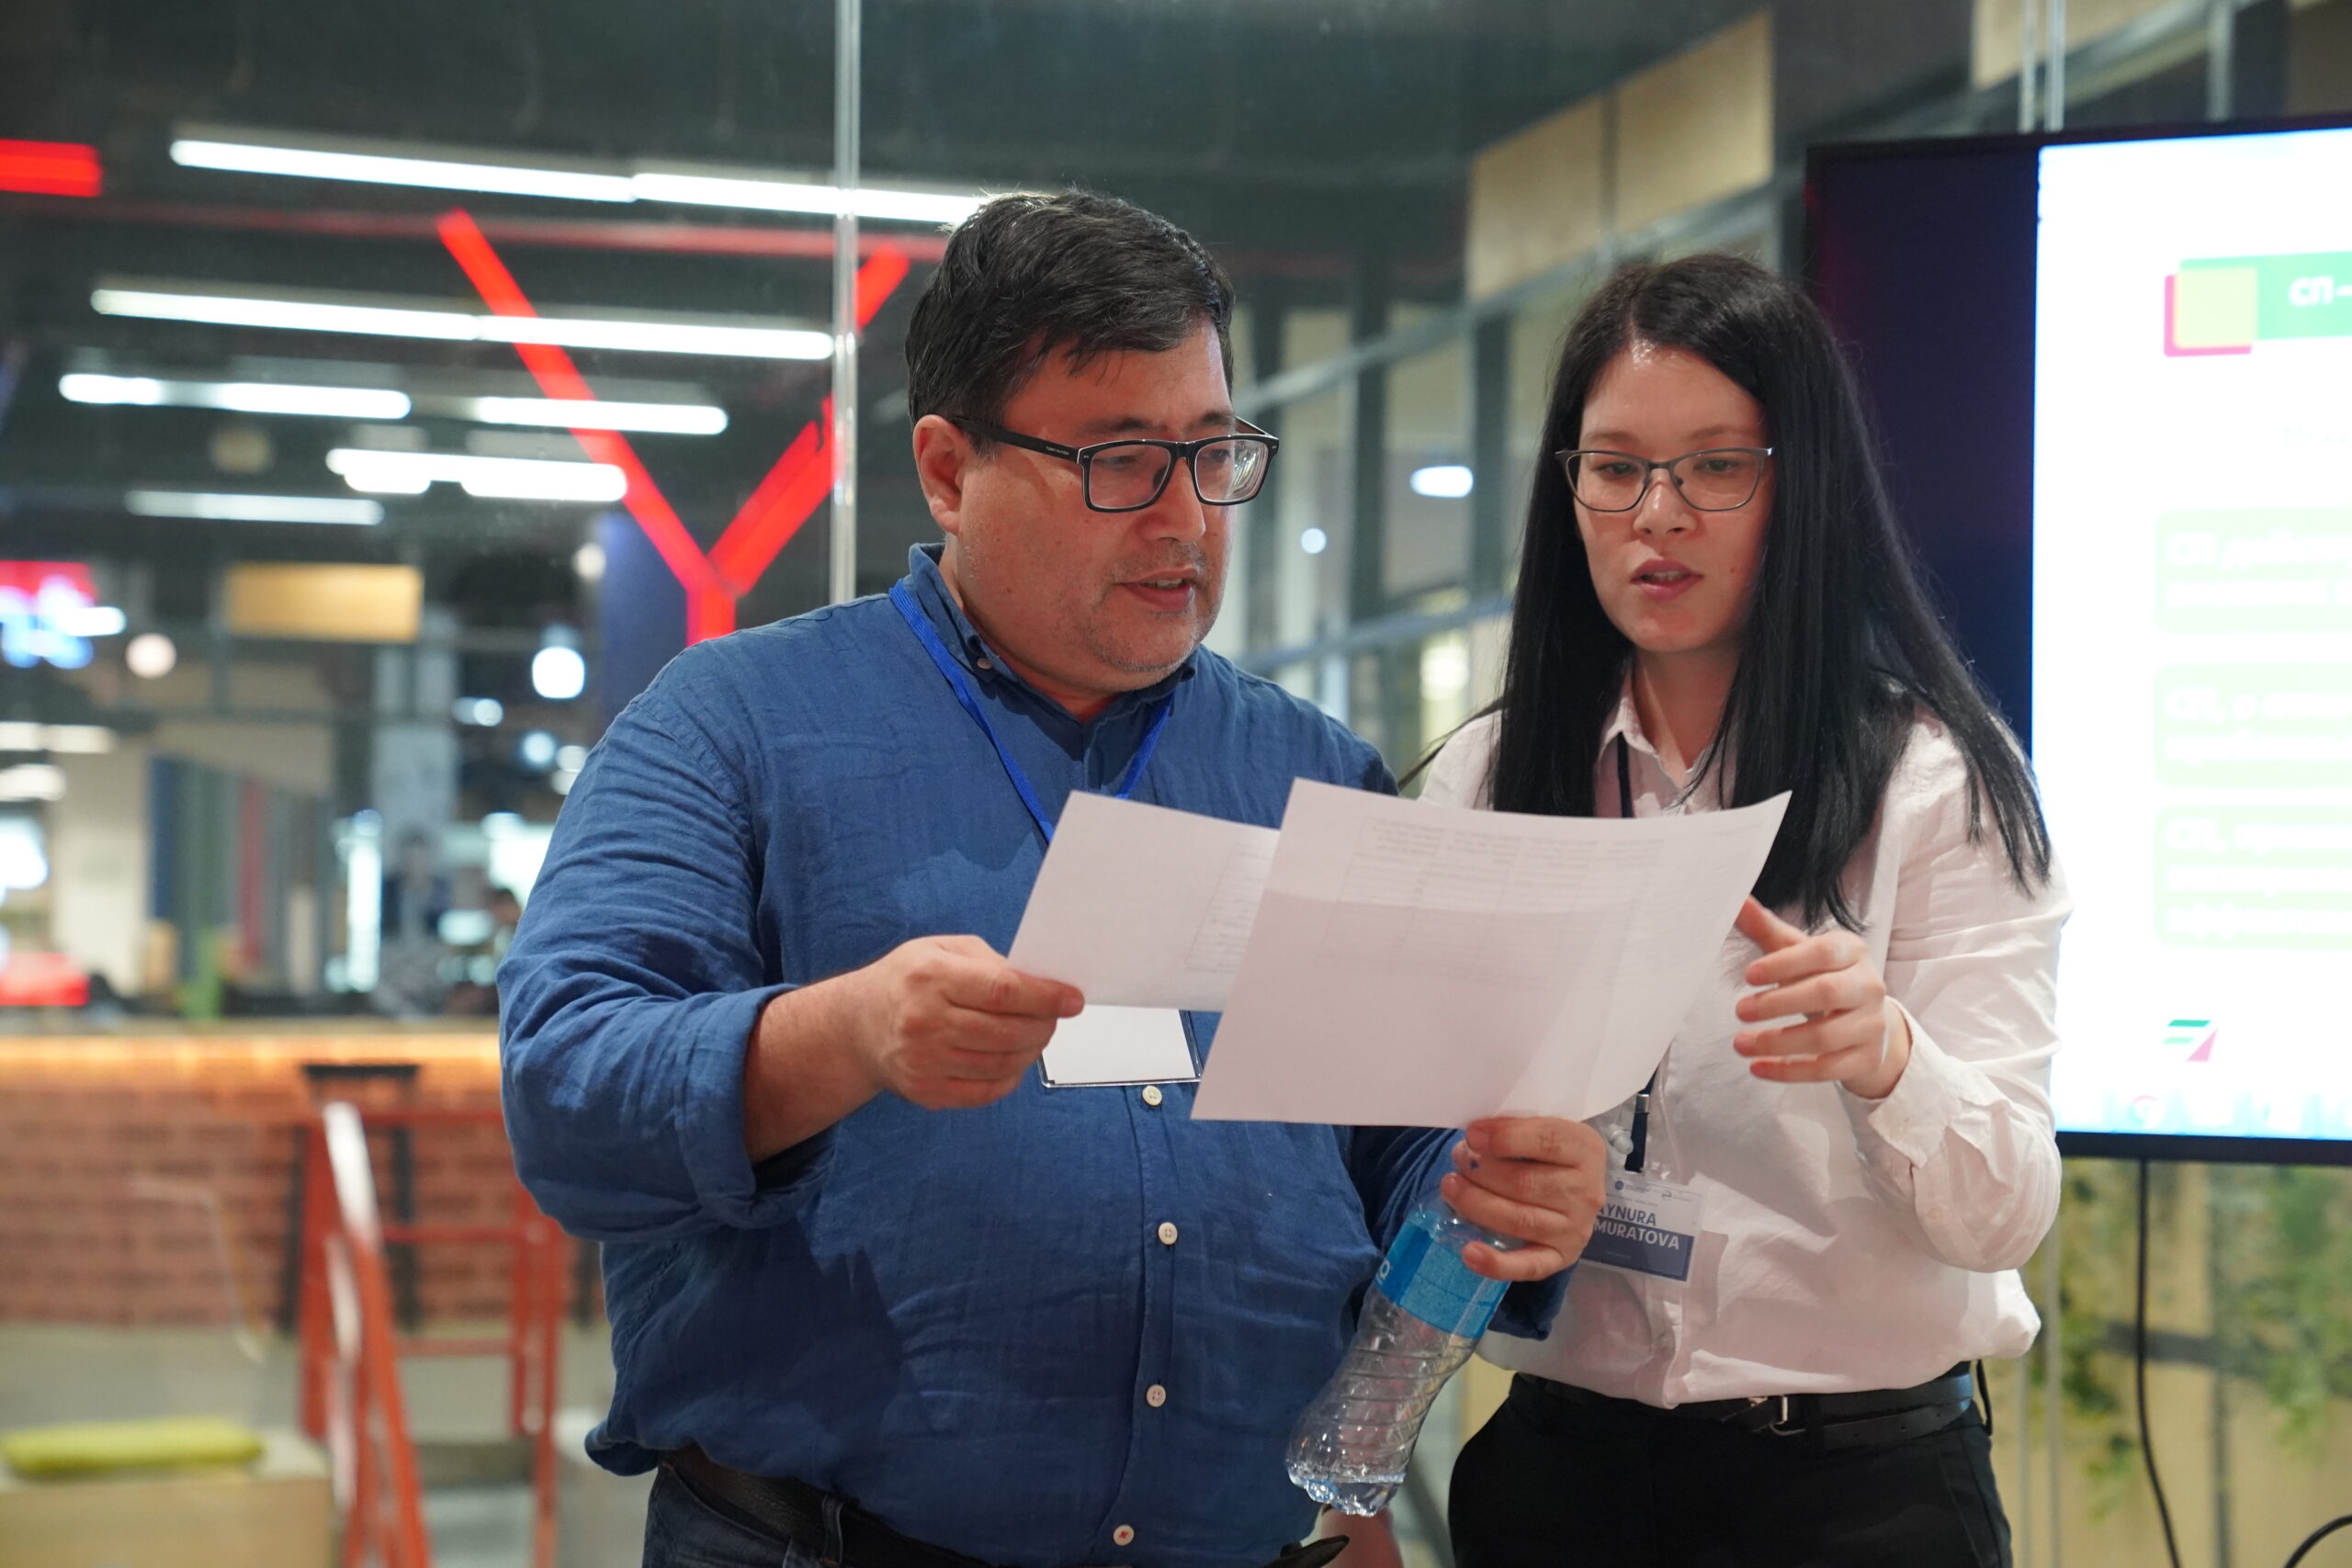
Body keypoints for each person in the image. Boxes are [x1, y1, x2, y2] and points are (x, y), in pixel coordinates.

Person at [499, 190, 1607, 1568]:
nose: (1184, 520)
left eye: (1213, 456)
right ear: (951, 470)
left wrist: (1497, 1186)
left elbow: (1397, 1137)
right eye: (1122, 462)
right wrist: (840, 1037)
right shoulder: (733, 725)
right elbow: (567, 1090)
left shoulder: (1313, 773)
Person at [1422, 254, 2066, 1568]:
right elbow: (1391, 1138)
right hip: (1561, 1475)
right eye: (1615, 468)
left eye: (1718, 466)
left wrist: (1890, 1061)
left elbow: (2007, 1212)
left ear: (1802, 487)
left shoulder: (1934, 783)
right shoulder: (1486, 782)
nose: (1659, 514)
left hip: (1854, 1496)